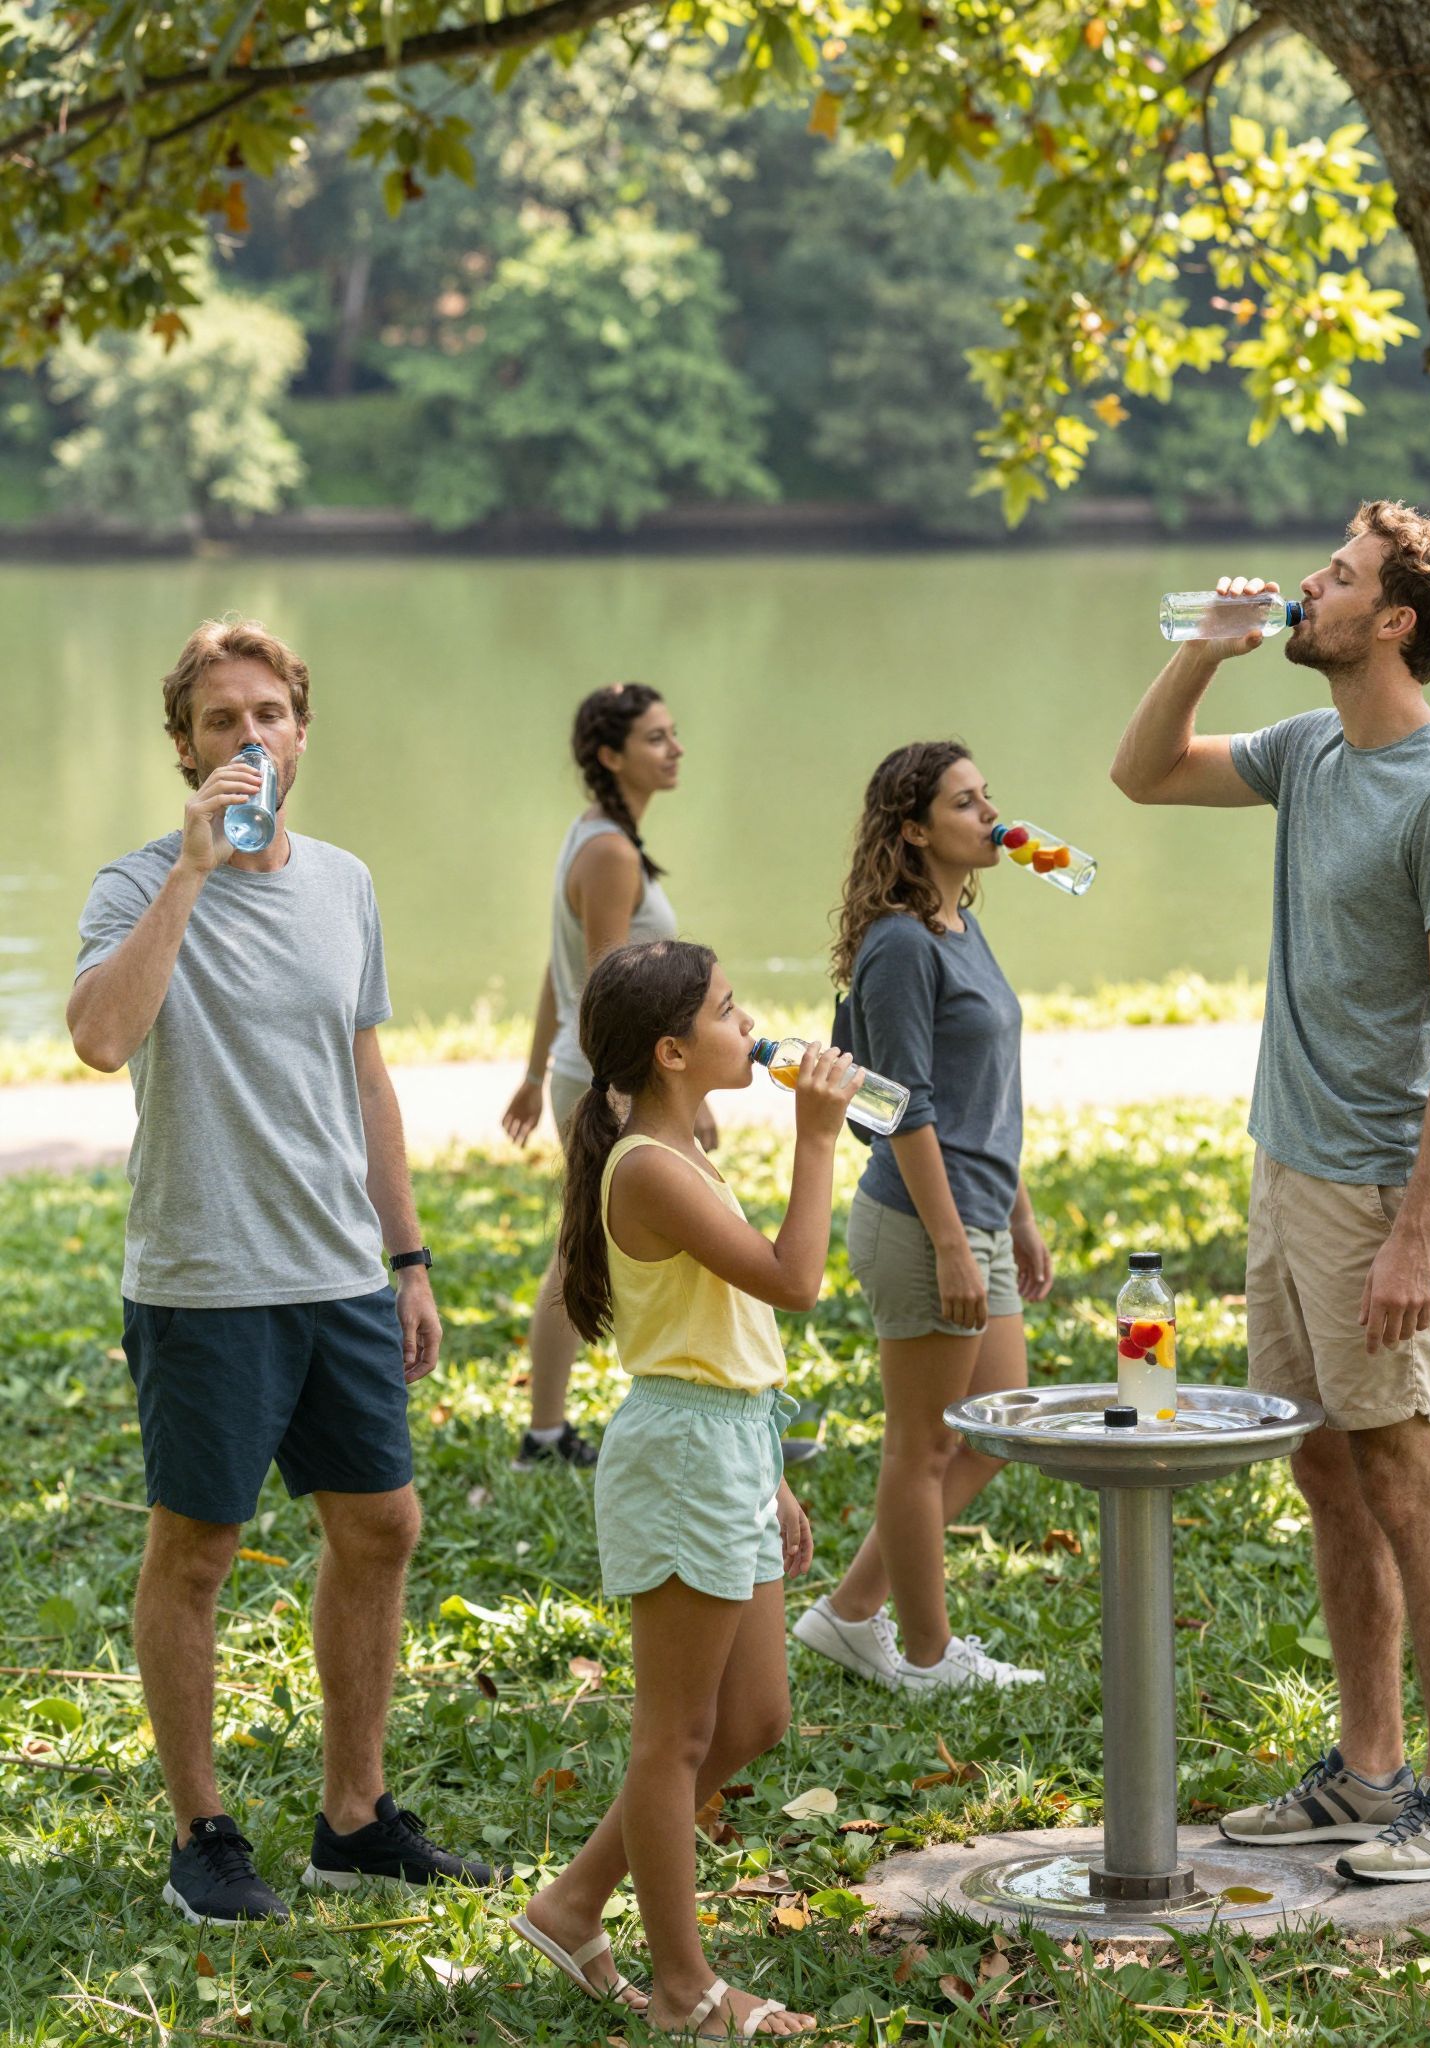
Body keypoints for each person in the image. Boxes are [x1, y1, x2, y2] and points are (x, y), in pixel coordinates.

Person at [68, 619, 495, 1925]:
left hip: (340, 1277)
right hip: (205, 1279)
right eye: (220, 722)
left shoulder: (348, 885)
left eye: (269, 715)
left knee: (382, 1525)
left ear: (302, 731)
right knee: (196, 1551)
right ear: (185, 748)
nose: (248, 740)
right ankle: (203, 1835)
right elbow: (97, 1038)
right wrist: (190, 877)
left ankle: (353, 1822)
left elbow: (363, 1074)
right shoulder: (132, 884)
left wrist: (408, 1257)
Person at [1110, 501, 1430, 1884]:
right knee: (1327, 1467)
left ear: (1392, 622)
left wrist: (1418, 1232)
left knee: (1411, 1477)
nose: (1307, 587)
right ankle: (1368, 1767)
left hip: (1376, 1190)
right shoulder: (1317, 749)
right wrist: (1210, 651)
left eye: (1334, 579)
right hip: (1286, 1168)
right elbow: (1143, 774)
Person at [510, 938, 842, 2039]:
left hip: (730, 1439)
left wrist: (769, 1468)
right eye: (727, 1009)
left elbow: (730, 1325)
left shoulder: (679, 1146)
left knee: (753, 1715)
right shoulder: (647, 1166)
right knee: (675, 1737)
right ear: (671, 1050)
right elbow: (794, 1280)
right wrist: (817, 1136)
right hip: (683, 1451)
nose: (748, 1025)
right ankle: (683, 1987)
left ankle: (570, 1903)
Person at [793, 742, 1054, 1694]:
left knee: (1000, 1426)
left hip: (979, 1212)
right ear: (913, 830)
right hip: (920, 1222)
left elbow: (981, 1088)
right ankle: (930, 1654)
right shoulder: (899, 944)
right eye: (964, 803)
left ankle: (849, 1615)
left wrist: (1016, 1215)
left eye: (990, 796)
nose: (991, 815)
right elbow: (899, 1101)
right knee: (924, 1446)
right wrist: (952, 1239)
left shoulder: (957, 926)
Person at [501, 684, 715, 1469]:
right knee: (638, 1248)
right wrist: (659, 1100)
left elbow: (559, 975)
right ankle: (683, 1415)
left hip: (582, 1073)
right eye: (656, 738)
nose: (675, 748)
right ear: (609, 755)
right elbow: (607, 991)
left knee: (584, 1244)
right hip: (608, 1080)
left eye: (673, 732)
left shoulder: (597, 837)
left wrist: (533, 1072)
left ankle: (549, 1431)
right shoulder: (610, 852)